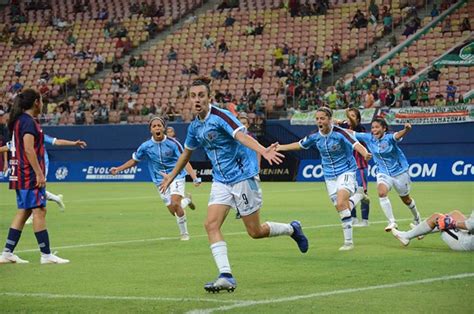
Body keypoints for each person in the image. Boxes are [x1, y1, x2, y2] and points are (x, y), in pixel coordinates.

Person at [159, 77, 308, 293]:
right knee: (210, 224)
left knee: (255, 232)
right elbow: (186, 153)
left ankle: (291, 229)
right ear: (189, 100)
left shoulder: (221, 116)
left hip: (243, 177)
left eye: (201, 95)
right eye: (193, 96)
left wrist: (262, 149)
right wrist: (172, 176)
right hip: (221, 180)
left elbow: (241, 135)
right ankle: (226, 275)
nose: (197, 99)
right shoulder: (194, 127)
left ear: (209, 97)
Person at [277, 108, 372, 251]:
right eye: (317, 119)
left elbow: (356, 144)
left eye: (322, 118)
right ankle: (359, 195)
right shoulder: (315, 136)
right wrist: (280, 147)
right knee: (342, 208)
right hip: (329, 176)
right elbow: (300, 144)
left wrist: (365, 153)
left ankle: (348, 242)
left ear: (330, 119)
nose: (319, 121)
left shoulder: (341, 133)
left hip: (346, 171)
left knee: (341, 203)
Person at [0, 89, 69, 264]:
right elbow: (29, 149)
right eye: (42, 100)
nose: (43, 104)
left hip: (20, 174)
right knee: (40, 210)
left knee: (24, 211)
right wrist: (39, 173)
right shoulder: (28, 122)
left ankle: (7, 252)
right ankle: (46, 255)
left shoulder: (19, 121)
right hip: (28, 174)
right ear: (36, 102)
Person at [111, 116, 201, 241]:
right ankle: (187, 201)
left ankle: (184, 234)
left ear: (163, 128)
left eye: (159, 125)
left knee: (175, 203)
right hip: (160, 181)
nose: (157, 128)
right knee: (173, 210)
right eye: (154, 126)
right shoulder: (145, 146)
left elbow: (184, 160)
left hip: (176, 176)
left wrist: (194, 177)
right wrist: (118, 169)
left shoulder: (173, 143)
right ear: (150, 130)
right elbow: (134, 160)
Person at [351, 119, 421, 232]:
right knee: (381, 192)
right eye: (372, 127)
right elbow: (352, 133)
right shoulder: (369, 138)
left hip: (400, 172)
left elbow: (397, 135)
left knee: (406, 200)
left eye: (377, 127)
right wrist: (335, 128)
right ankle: (392, 222)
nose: (374, 130)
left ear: (384, 129)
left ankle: (417, 219)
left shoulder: (389, 138)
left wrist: (406, 129)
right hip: (383, 172)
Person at [25, 134, 87, 224]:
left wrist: (74, 143)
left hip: (42, 166)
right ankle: (57, 198)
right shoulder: (23, 135)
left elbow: (57, 142)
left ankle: (33, 215)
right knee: (33, 189)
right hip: (30, 166)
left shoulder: (39, 134)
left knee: (35, 188)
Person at [337, 108, 371, 227]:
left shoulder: (359, 128)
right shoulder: (345, 127)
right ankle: (354, 218)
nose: (349, 117)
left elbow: (350, 124)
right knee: (349, 193)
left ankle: (365, 220)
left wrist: (345, 116)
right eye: (348, 115)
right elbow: (335, 123)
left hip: (360, 166)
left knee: (362, 193)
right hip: (348, 167)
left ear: (357, 118)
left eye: (352, 116)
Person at [392, 210, 473, 251]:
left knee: (437, 217)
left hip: (467, 243)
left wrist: (453, 223)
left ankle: (406, 236)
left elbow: (470, 225)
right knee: (455, 214)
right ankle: (420, 232)